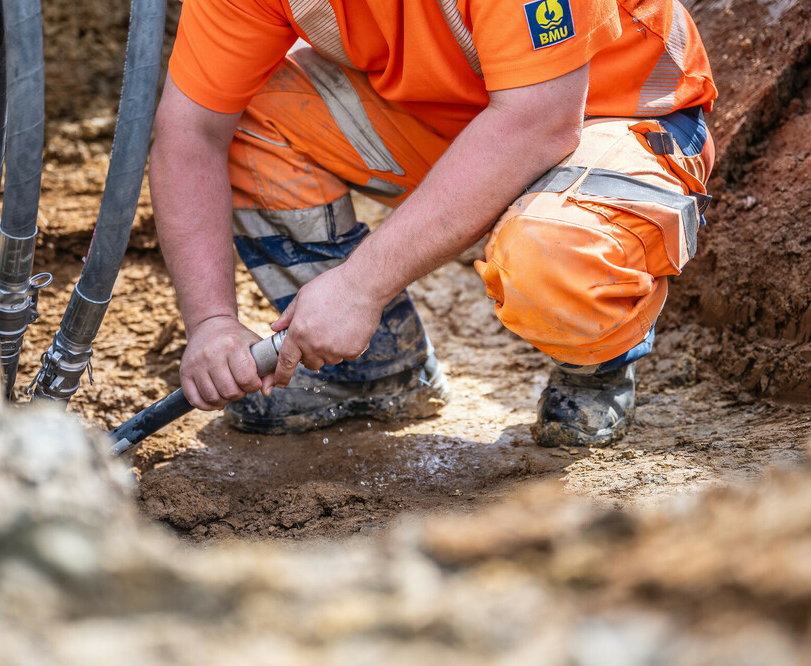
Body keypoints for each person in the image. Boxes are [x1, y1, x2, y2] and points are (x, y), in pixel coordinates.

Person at [148, 0, 717, 446]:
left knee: (551, 252)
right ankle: (368, 372)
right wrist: (212, 322)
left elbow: (540, 121)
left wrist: (359, 284)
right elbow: (192, 132)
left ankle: (594, 366)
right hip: (452, 121)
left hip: (613, 116)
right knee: (249, 110)